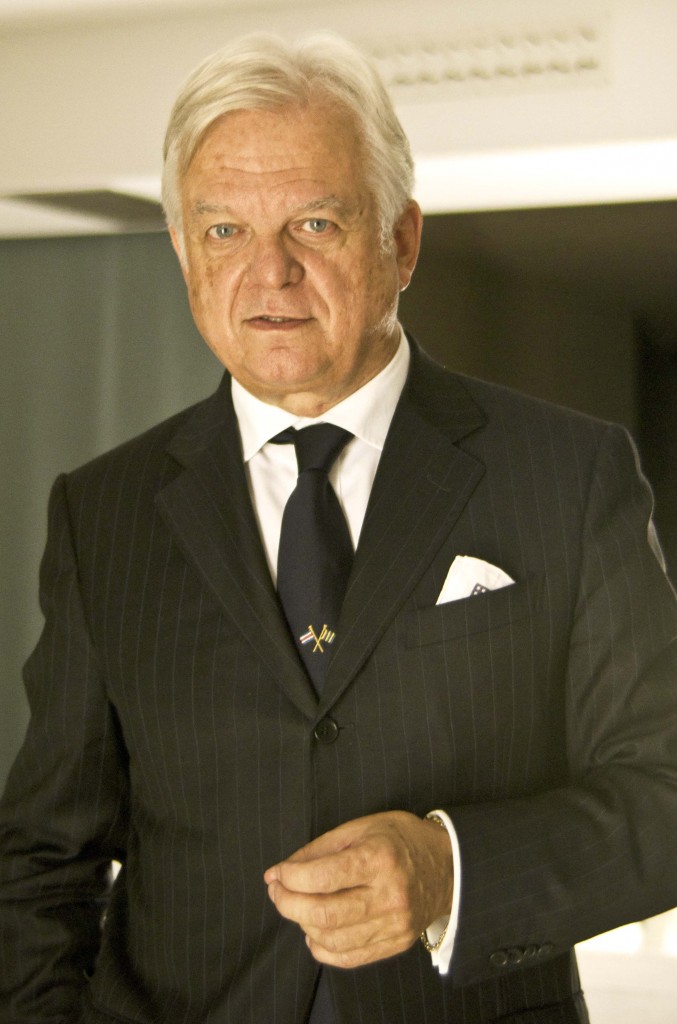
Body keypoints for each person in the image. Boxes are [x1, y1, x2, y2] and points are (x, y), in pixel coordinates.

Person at [0, 31, 676, 1024]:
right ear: (183, 251)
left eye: (313, 223)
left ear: (400, 241)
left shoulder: (567, 476)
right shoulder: (103, 513)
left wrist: (450, 870)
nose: (267, 272)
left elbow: (663, 793)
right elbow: (41, 863)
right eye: (223, 230)